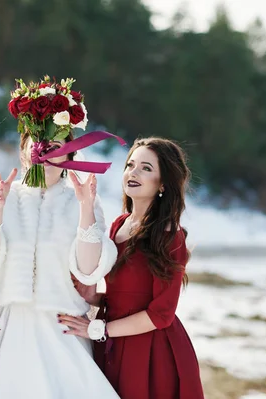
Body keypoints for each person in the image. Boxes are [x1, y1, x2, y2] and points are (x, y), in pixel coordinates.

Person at [0, 132, 120, 398]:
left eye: (55, 146)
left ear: (70, 155)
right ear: (24, 152)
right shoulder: (2, 193)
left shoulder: (84, 201)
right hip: (6, 326)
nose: (45, 153)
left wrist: (85, 208)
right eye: (38, 146)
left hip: (62, 326)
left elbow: (89, 268)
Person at [59, 137, 205, 399]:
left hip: (152, 353)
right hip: (113, 344)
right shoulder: (118, 225)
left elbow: (162, 314)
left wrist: (99, 330)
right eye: (130, 165)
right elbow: (123, 294)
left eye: (146, 168)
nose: (133, 173)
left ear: (162, 183)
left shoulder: (170, 235)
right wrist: (93, 296)